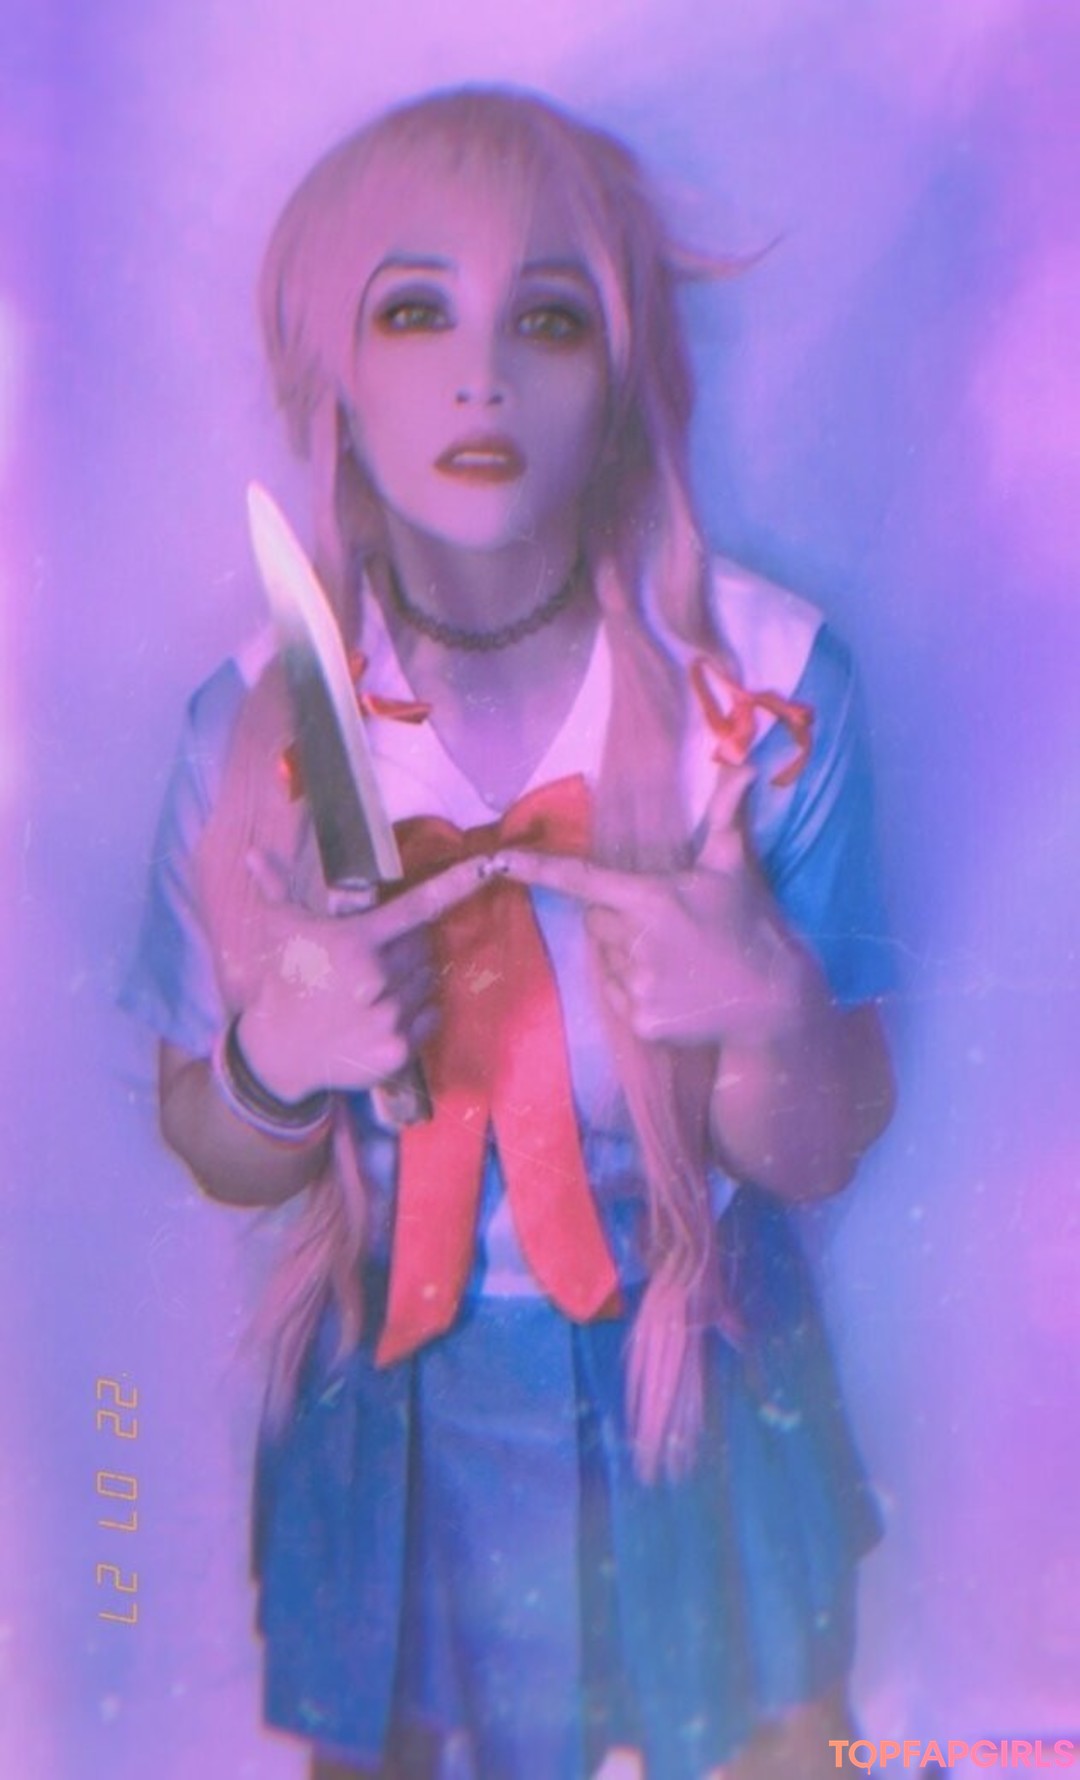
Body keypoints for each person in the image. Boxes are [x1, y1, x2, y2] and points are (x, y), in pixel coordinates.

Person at [124, 86, 896, 1780]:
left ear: (620, 368)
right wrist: (273, 1065)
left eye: (547, 318)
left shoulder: (766, 694)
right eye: (415, 311)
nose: (481, 376)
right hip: (393, 1411)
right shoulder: (251, 731)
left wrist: (767, 1014)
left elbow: (830, 1143)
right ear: (331, 364)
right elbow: (209, 1142)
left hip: (704, 1387)